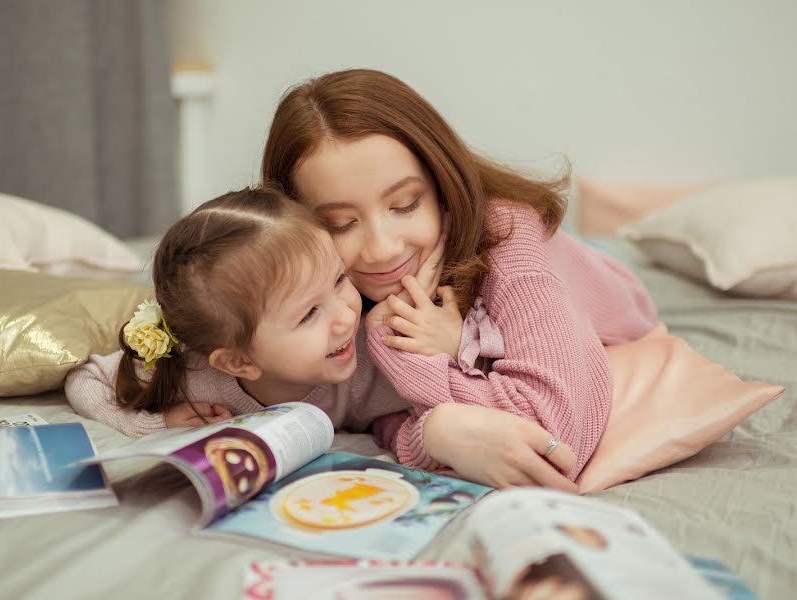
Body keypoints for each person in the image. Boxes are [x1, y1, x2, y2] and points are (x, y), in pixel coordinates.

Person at [261, 68, 657, 487]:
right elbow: (385, 415)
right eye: (341, 223)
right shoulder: (327, 282)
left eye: (405, 204)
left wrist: (411, 370)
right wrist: (433, 430)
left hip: (602, 283)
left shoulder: (510, 239)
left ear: (441, 187)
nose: (382, 249)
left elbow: (549, 444)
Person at [65, 186, 416, 441]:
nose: (346, 317)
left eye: (340, 280)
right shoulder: (193, 378)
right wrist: (148, 426)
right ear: (237, 362)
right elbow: (86, 379)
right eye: (309, 314)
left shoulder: (374, 359)